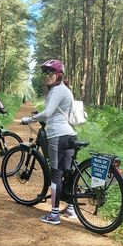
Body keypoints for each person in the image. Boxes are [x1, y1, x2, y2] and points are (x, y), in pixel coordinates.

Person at [21, 59, 77, 225]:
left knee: (56, 173)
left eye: (51, 73)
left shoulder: (58, 90)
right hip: (69, 134)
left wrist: (29, 119)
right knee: (67, 171)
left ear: (59, 75)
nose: (48, 76)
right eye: (46, 73)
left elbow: (48, 113)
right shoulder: (65, 89)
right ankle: (71, 208)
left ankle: (54, 214)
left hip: (57, 136)